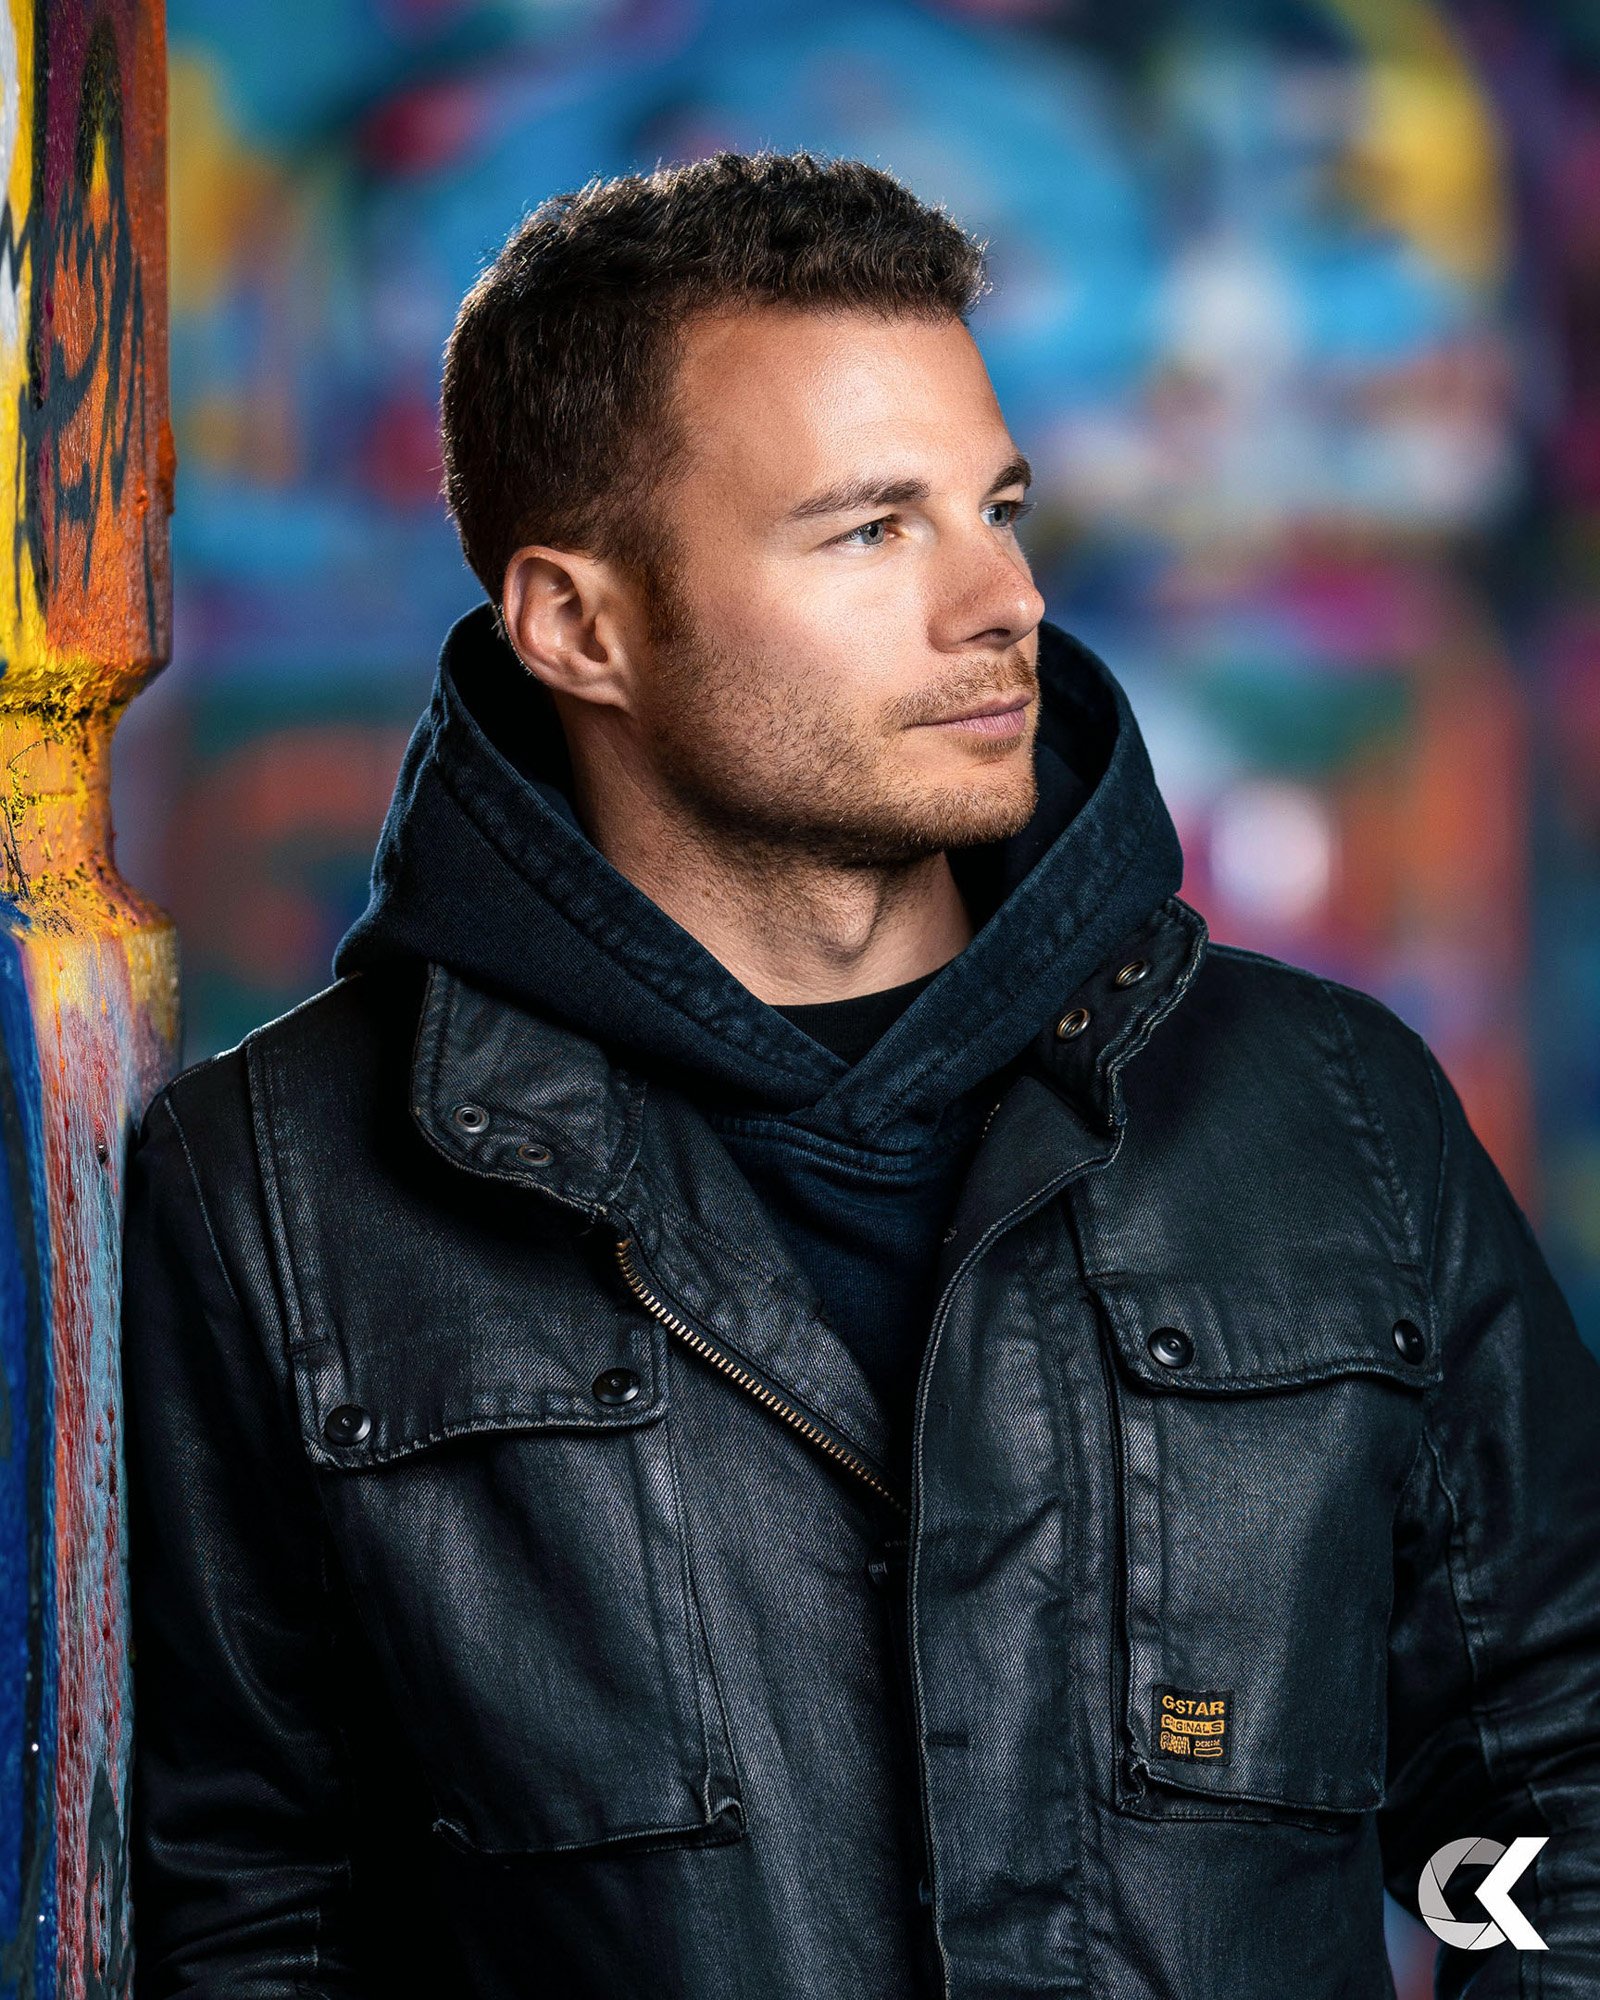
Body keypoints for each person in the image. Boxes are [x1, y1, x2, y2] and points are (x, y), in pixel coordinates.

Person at [122, 151, 1600, 1999]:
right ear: (582, 625)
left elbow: (1557, 1783)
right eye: (872, 528)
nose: (1003, 604)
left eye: (1000, 507)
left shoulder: (1338, 1114)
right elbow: (249, 1911)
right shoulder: (273, 1189)